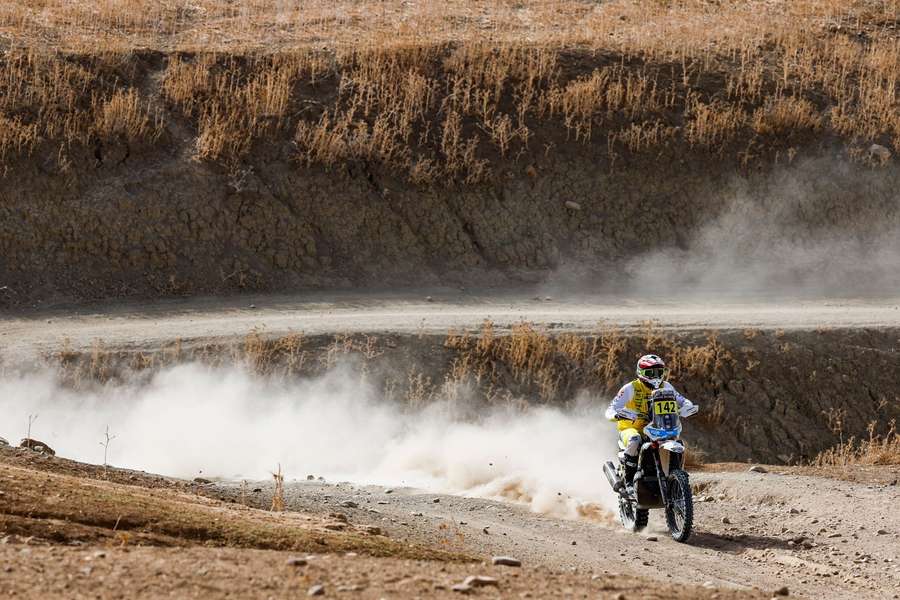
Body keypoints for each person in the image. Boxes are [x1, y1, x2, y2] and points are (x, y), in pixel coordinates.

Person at [605, 354, 697, 492]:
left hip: (657, 427)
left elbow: (682, 400)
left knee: (678, 442)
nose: (655, 376)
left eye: (658, 372)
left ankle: (676, 480)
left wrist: (687, 406)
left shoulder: (666, 386)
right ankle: (629, 481)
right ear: (641, 372)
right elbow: (611, 408)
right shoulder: (631, 388)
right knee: (635, 440)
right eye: (650, 373)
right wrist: (617, 414)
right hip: (631, 428)